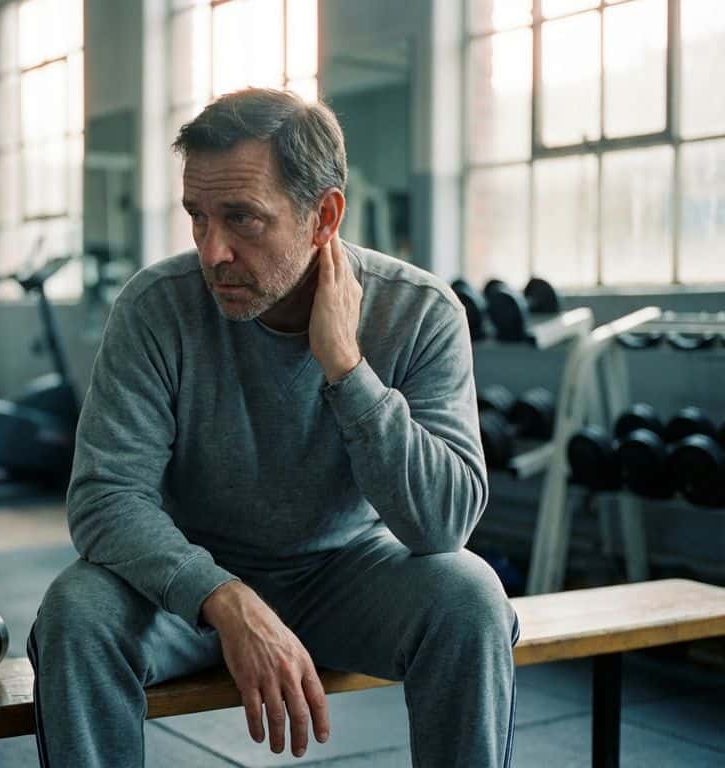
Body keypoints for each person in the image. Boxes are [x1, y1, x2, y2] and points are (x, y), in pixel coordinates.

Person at [28, 88, 519, 767]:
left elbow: (443, 524)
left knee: (470, 597)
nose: (213, 251)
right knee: (76, 612)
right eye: (197, 218)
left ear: (324, 216)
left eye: (242, 219)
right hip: (191, 588)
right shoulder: (154, 308)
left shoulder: (421, 313)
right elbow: (106, 497)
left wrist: (347, 369)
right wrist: (223, 598)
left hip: (348, 573)